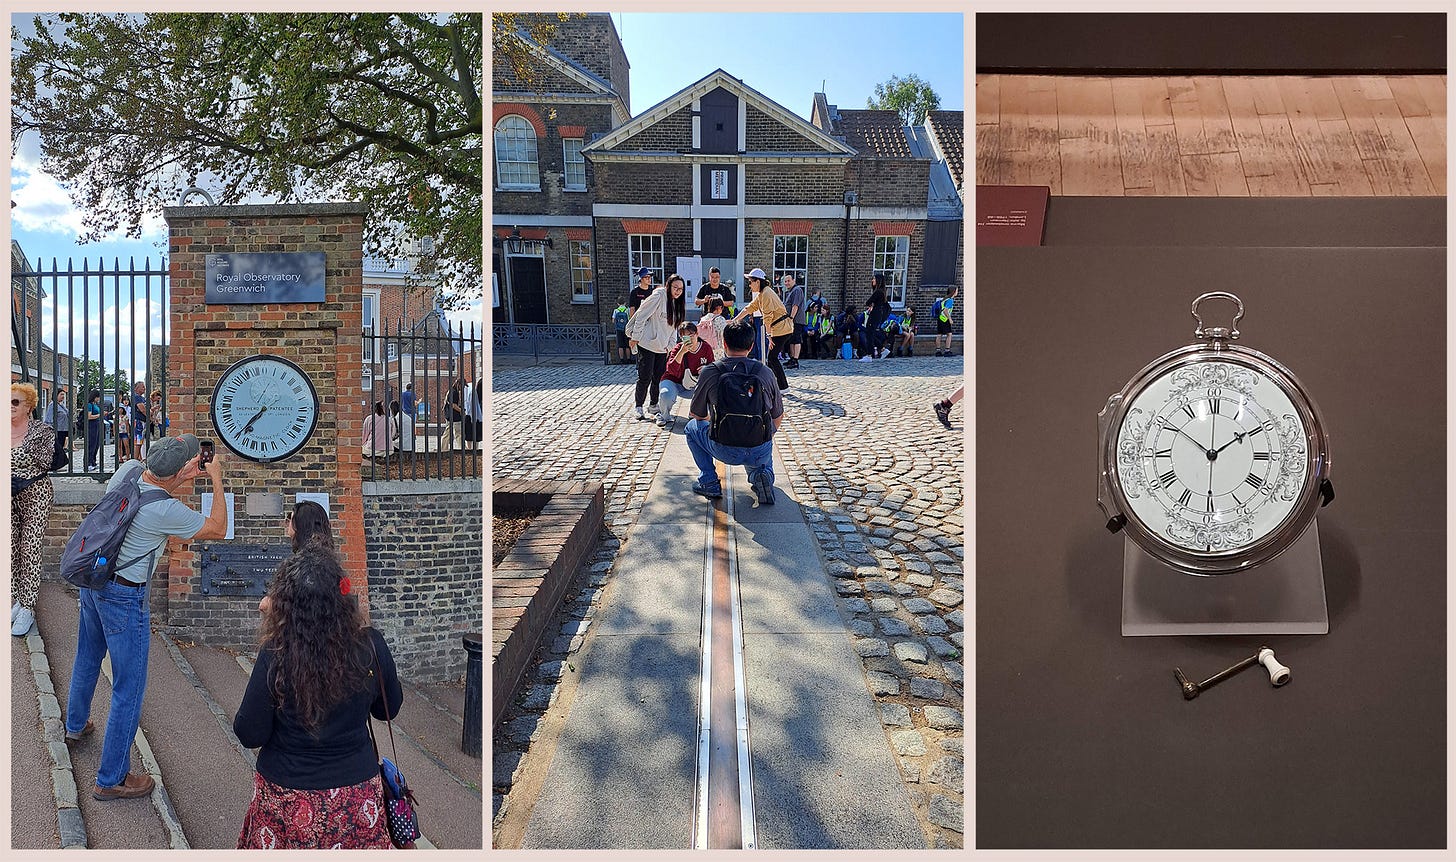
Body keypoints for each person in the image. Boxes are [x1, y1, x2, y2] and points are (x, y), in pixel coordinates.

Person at [66, 433, 228, 800]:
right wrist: (216, 478)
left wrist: (178, 475)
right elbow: (217, 527)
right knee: (129, 688)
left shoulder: (127, 470)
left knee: (87, 656)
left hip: (95, 579)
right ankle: (111, 779)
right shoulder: (165, 511)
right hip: (124, 598)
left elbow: (155, 481)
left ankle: (75, 726)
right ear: (181, 470)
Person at [234, 544, 402, 849]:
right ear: (342, 598)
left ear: (286, 605)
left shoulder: (276, 653)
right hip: (356, 798)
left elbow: (249, 732)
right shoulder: (371, 646)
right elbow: (387, 710)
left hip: (287, 795)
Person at [685, 321, 784, 506]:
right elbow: (777, 415)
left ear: (724, 343)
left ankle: (709, 481)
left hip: (724, 448)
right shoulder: (765, 372)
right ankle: (762, 475)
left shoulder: (710, 372)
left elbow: (697, 415)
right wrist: (763, 437)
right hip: (758, 447)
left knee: (691, 428)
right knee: (760, 452)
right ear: (751, 346)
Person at [11, 382, 56, 636]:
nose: (9, 406)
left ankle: (28, 607)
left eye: (15, 402)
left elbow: (45, 461)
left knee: (29, 548)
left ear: (28, 406)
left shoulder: (41, 430)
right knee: (10, 548)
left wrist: (16, 455)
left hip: (35, 494)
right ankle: (18, 599)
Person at [625, 272, 685, 420]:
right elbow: (641, 315)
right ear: (668, 286)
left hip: (662, 347)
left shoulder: (678, 304)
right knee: (645, 377)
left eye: (680, 289)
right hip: (647, 343)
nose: (678, 291)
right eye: (675, 287)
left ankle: (653, 405)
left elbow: (674, 329)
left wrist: (669, 347)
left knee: (658, 378)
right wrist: (635, 337)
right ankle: (639, 406)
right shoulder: (659, 296)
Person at [730, 268, 792, 390]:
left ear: (757, 281)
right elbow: (749, 308)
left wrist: (769, 336)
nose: (749, 285)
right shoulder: (763, 293)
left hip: (782, 329)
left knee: (772, 358)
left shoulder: (766, 294)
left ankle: (783, 387)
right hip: (780, 328)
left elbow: (767, 317)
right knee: (771, 359)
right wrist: (735, 320)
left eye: (750, 282)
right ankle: (773, 384)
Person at [655, 321, 715, 428]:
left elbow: (712, 368)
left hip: (694, 383)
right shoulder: (678, 348)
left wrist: (706, 369)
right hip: (674, 381)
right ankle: (664, 415)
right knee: (666, 394)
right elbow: (671, 370)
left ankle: (695, 412)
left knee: (709, 389)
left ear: (697, 334)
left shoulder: (706, 348)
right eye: (685, 337)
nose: (689, 339)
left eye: (691, 335)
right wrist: (682, 352)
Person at [861, 276, 892, 361]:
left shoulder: (878, 292)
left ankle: (869, 355)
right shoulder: (882, 292)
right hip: (878, 314)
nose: (872, 280)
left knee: (869, 333)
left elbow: (868, 302)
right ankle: (882, 349)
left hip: (875, 314)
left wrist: (871, 304)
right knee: (870, 333)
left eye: (874, 279)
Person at [781, 273, 806, 369]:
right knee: (791, 340)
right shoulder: (790, 291)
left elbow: (795, 305)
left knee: (796, 339)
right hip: (791, 320)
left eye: (788, 281)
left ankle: (795, 360)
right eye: (785, 281)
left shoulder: (797, 290)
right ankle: (792, 359)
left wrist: (791, 318)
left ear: (793, 280)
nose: (787, 283)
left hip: (796, 320)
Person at [44, 386, 71, 466]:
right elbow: (49, 419)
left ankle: (57, 464)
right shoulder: (52, 405)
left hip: (63, 430)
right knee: (57, 449)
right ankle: (55, 464)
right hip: (57, 430)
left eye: (64, 395)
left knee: (60, 447)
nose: (63, 396)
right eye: (61, 394)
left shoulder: (61, 405)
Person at [933, 285, 958, 357]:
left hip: (940, 318)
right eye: (957, 291)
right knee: (949, 334)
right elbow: (945, 311)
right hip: (945, 319)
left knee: (939, 334)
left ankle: (938, 351)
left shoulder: (945, 299)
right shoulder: (950, 300)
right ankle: (947, 351)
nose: (957, 292)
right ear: (953, 292)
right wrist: (950, 319)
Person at [84, 390, 104, 471]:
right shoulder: (89, 405)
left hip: (97, 424)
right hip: (91, 425)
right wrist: (100, 415)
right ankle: (88, 463)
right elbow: (89, 416)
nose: (99, 399)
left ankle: (93, 462)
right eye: (98, 397)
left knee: (96, 444)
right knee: (91, 444)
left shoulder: (95, 404)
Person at [130, 381, 149, 458]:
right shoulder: (136, 397)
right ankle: (135, 459)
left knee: (140, 441)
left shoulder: (141, 398)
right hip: (139, 422)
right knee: (138, 442)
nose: (144, 388)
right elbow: (142, 409)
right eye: (142, 387)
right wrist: (150, 418)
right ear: (136, 388)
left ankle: (140, 458)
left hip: (141, 421)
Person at [445, 379, 464, 451]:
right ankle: (462, 448)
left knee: (447, 433)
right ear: (459, 384)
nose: (463, 388)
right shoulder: (454, 392)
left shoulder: (451, 391)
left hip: (450, 415)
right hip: (455, 416)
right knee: (458, 433)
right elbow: (453, 405)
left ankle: (443, 448)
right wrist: (461, 411)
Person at [612, 300, 631, 364]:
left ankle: (622, 360)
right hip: (626, 329)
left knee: (620, 346)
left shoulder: (616, 311)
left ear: (618, 303)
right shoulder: (627, 310)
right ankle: (628, 359)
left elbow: (613, 320)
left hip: (619, 330)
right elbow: (630, 319)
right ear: (625, 303)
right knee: (627, 346)